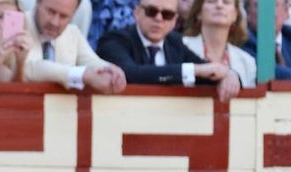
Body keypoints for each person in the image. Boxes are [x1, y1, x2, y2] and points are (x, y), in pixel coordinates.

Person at [94, 0, 238, 93]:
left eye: (167, 14)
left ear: (175, 20)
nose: (158, 18)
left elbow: (206, 70)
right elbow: (131, 73)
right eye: (151, 11)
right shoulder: (115, 40)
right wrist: (194, 69)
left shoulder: (174, 42)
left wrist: (229, 74)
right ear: (137, 13)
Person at [24, 0, 125, 92]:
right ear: (38, 2)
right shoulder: (17, 23)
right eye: (50, 12)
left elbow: (91, 61)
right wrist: (82, 75)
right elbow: (28, 68)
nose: (54, 22)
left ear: (74, 14)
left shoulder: (72, 33)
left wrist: (111, 71)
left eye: (63, 16)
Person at [181, 0, 258, 99]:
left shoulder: (247, 61)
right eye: (211, 1)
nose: (219, 5)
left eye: (226, 2)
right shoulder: (181, 46)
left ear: (235, 15)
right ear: (199, 12)